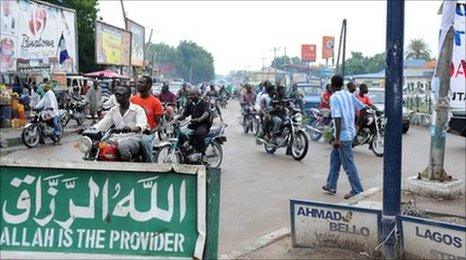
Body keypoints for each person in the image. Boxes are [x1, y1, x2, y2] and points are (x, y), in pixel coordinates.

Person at [322, 75, 366, 199]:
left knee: (348, 164)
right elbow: (363, 109)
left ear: (332, 85)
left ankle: (357, 190)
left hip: (343, 136)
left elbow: (337, 117)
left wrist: (337, 139)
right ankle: (331, 185)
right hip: (350, 132)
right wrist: (357, 126)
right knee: (334, 158)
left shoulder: (334, 97)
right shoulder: (349, 95)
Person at [93, 85, 148, 161]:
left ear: (129, 95)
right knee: (98, 146)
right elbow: (102, 124)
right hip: (116, 139)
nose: (118, 96)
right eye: (116, 94)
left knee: (123, 146)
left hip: (133, 138)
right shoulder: (113, 110)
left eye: (121, 94)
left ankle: (127, 168)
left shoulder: (137, 109)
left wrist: (131, 129)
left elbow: (142, 125)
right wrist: (91, 129)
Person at [131, 76, 164, 163]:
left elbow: (158, 124)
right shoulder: (133, 100)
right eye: (138, 82)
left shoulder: (156, 102)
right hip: (134, 130)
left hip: (148, 132)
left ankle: (149, 164)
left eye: (141, 82)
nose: (138, 84)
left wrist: (151, 131)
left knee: (144, 141)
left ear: (149, 86)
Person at [175, 87, 211, 161]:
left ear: (198, 95)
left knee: (199, 133)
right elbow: (184, 115)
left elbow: (206, 113)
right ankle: (187, 151)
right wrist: (176, 119)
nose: (190, 96)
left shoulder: (204, 103)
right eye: (190, 95)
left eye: (193, 95)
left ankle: (203, 154)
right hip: (193, 124)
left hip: (203, 124)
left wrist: (200, 119)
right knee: (182, 133)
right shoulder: (190, 104)